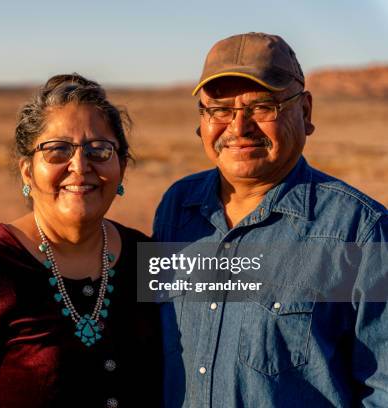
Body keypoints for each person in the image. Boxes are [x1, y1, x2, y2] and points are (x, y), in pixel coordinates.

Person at [0, 73, 162, 407]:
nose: (79, 166)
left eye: (100, 150)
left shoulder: (148, 256)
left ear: (121, 166)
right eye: (57, 151)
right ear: (27, 171)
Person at [154, 32, 387, 407]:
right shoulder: (177, 208)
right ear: (202, 120)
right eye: (219, 109)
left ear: (306, 112)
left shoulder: (360, 232)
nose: (239, 126)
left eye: (263, 106)